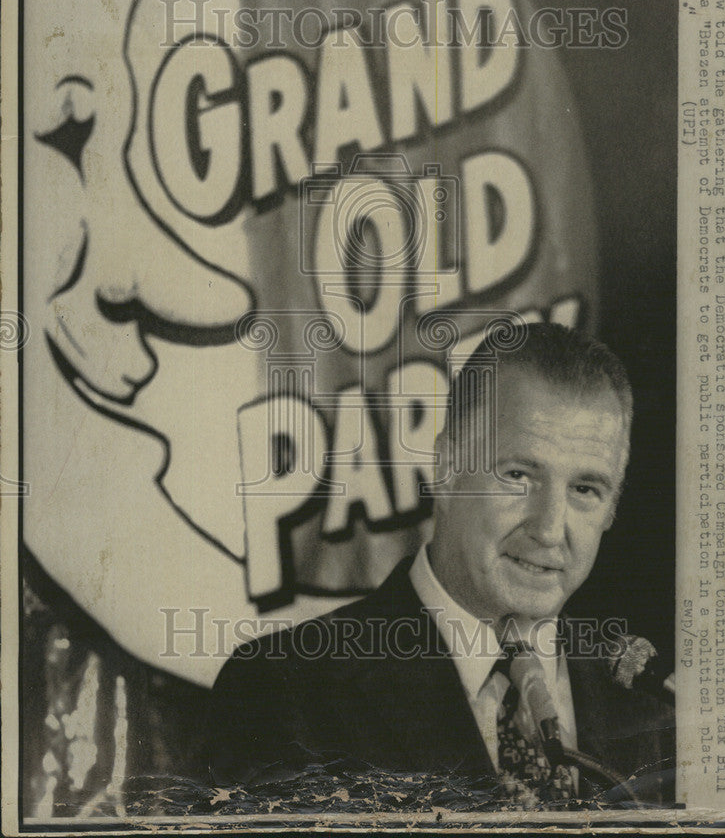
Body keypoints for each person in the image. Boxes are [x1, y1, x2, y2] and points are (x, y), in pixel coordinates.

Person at [206, 323, 675, 808]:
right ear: (446, 468)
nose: (550, 529)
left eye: (584, 490)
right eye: (518, 475)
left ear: (612, 508)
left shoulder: (645, 701)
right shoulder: (281, 692)